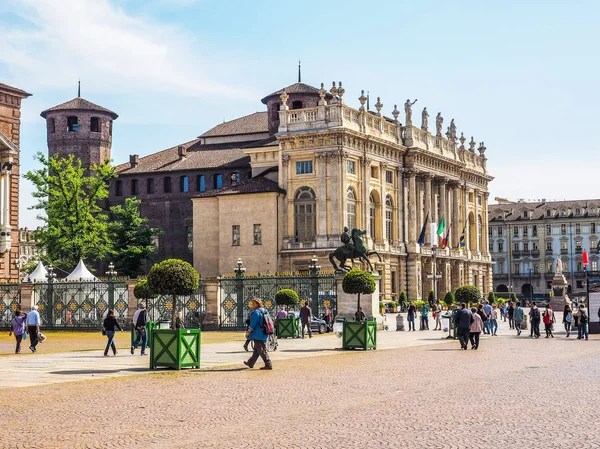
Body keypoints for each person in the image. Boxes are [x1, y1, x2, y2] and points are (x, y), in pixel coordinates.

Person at [243, 298, 272, 370]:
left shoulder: (256, 312)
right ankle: (250, 363)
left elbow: (252, 324)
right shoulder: (265, 310)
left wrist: (248, 332)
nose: (252, 304)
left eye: (254, 303)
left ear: (257, 303)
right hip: (264, 332)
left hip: (257, 333)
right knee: (257, 350)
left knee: (261, 350)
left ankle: (268, 364)